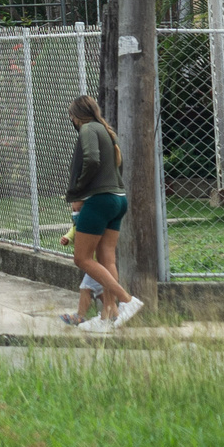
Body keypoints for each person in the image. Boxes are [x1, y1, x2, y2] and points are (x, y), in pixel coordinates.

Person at [66, 94, 142, 331]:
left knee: (82, 259)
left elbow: (91, 159)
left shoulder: (88, 129)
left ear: (77, 116)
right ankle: (108, 317)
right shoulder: (107, 131)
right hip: (118, 199)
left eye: (71, 116)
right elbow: (116, 164)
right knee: (107, 258)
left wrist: (79, 190)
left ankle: (127, 301)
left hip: (99, 200)